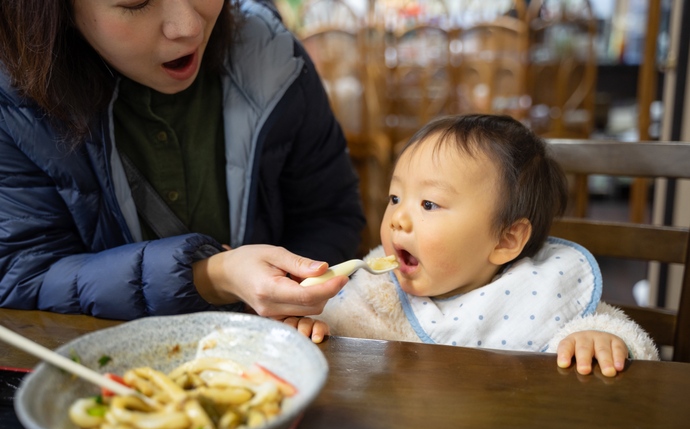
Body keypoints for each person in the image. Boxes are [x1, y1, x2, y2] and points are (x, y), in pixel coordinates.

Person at [0, 1, 365, 319]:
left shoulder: (273, 56)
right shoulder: (13, 98)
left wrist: (294, 291)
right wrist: (210, 277)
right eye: (136, 2)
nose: (188, 27)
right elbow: (22, 275)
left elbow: (331, 214)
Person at [285, 114, 659, 377]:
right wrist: (310, 325)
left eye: (428, 204)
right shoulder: (380, 290)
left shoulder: (540, 289)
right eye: (395, 198)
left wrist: (604, 341)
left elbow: (626, 338)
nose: (397, 218)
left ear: (506, 239)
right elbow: (339, 328)